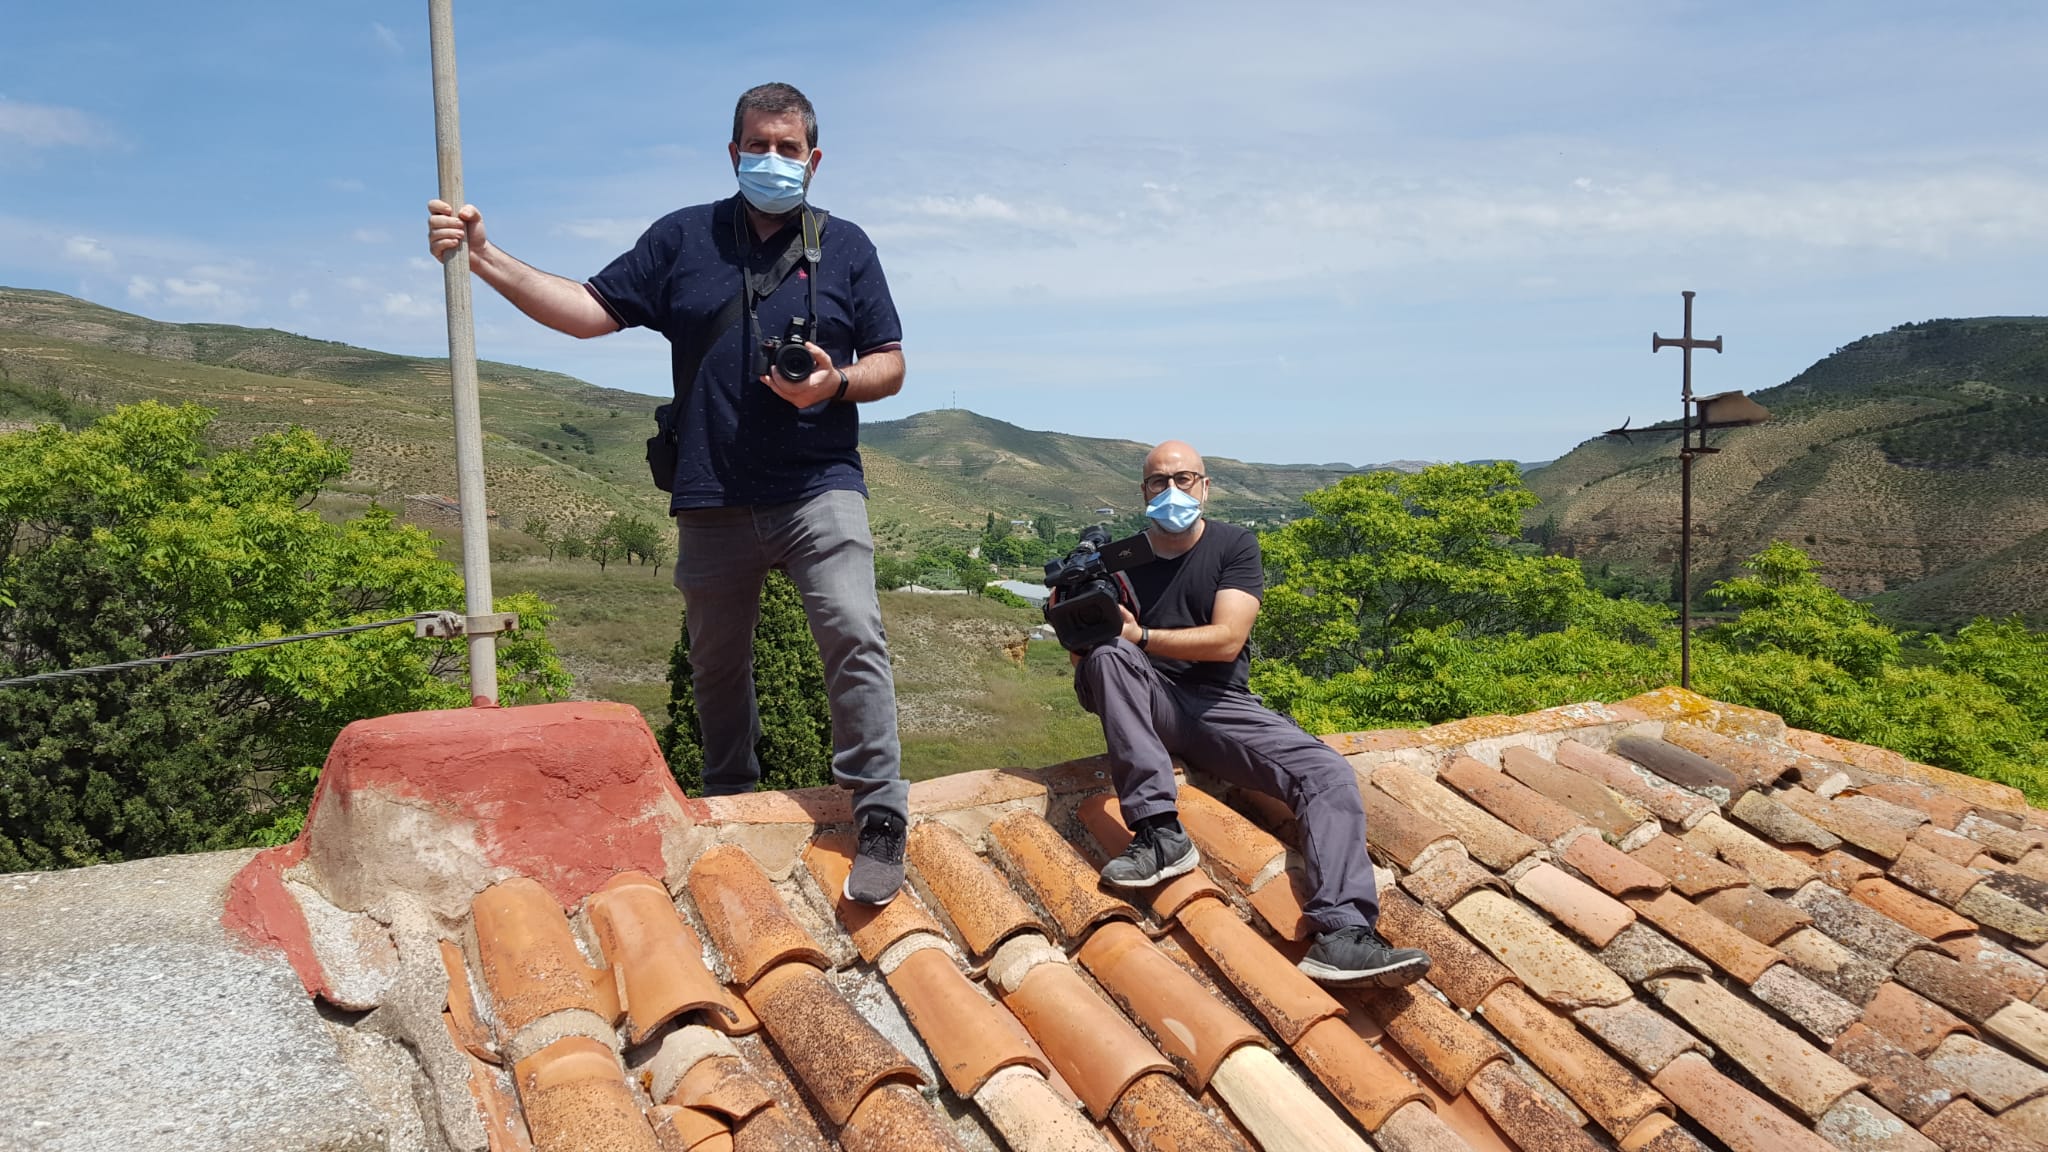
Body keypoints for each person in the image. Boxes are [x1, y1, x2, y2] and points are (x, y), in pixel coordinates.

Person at [426, 83, 910, 904]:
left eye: (789, 149)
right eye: (759, 145)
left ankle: (881, 816)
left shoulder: (850, 247)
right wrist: (484, 255)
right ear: (733, 152)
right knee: (717, 664)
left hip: (817, 485)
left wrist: (834, 384)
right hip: (712, 491)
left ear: (814, 160)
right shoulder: (683, 238)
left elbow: (893, 363)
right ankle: (728, 798)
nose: (773, 160)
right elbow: (587, 311)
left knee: (854, 633)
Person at [1075, 440, 1432, 987]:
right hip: (1150, 699)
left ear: (1205, 486)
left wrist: (1139, 634)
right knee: (1107, 654)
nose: (1172, 491)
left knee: (1327, 773)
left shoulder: (1233, 545)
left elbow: (1226, 639)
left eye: (1185, 479)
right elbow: (1094, 677)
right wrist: (1080, 624)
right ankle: (1159, 833)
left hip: (1222, 704)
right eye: (1158, 481)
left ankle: (1342, 933)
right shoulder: (1117, 564)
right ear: (1142, 491)